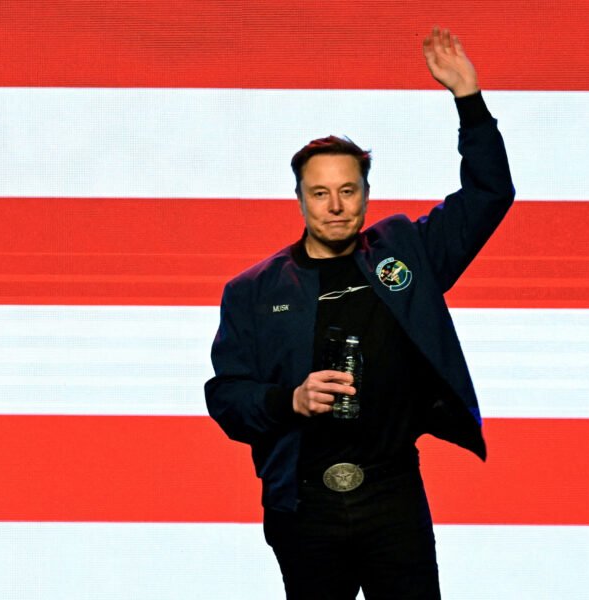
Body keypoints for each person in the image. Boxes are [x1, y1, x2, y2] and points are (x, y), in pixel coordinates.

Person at [205, 26, 514, 599]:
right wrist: (290, 400)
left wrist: (468, 101)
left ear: (366, 194)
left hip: (392, 497)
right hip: (304, 506)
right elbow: (226, 398)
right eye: (320, 193)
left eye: (348, 191)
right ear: (299, 198)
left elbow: (488, 196)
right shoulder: (252, 290)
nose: (336, 206)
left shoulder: (406, 253)